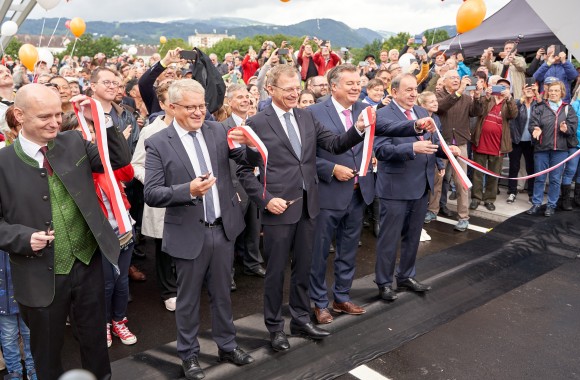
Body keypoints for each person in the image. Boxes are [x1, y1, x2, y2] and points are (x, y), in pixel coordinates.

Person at [235, 64, 436, 352]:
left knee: (304, 268)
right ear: (270, 90)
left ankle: (301, 319)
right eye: (287, 89)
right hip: (277, 208)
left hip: (309, 205)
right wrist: (265, 199)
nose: (294, 94)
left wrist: (358, 128)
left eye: (296, 88)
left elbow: (335, 143)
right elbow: (244, 170)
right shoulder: (257, 122)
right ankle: (275, 327)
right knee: (276, 272)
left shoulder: (305, 117)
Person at [0, 84, 131, 380]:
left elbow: (118, 160)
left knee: (95, 343)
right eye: (45, 116)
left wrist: (102, 120)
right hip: (38, 274)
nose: (55, 122)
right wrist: (22, 238)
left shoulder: (73, 141)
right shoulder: (3, 163)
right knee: (46, 352)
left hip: (87, 263)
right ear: (19, 115)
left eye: (58, 114)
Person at [144, 79, 254, 380]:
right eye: (190, 107)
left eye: (202, 106)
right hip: (188, 233)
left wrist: (252, 146)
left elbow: (244, 162)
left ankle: (227, 345)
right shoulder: (158, 142)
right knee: (189, 300)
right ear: (172, 107)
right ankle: (189, 355)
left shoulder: (218, 130)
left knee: (222, 294)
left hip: (223, 229)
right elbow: (152, 193)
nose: (198, 112)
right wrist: (188, 190)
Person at [374, 73, 460, 301]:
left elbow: (433, 145)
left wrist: (447, 151)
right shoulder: (382, 115)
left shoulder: (423, 113)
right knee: (389, 238)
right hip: (396, 187)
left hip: (421, 185)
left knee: (413, 236)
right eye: (408, 90)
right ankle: (383, 282)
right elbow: (381, 151)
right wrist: (412, 148)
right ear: (393, 92)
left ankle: (406, 276)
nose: (413, 94)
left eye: (415, 90)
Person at [308, 64, 375, 324]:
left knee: (348, 250)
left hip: (359, 193)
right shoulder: (313, 112)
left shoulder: (365, 110)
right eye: (350, 83)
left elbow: (377, 140)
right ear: (333, 86)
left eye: (358, 83)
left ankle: (342, 296)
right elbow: (305, 156)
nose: (356, 87)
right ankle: (319, 302)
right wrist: (332, 168)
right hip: (328, 194)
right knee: (319, 252)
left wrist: (414, 128)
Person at [131, 81, 178, 311]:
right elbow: (136, 164)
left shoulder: (194, 127)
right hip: (162, 197)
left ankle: (185, 285)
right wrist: (153, 181)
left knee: (187, 242)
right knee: (164, 245)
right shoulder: (150, 131)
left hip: (190, 195)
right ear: (162, 103)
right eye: (172, 98)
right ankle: (169, 290)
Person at [428, 70, 484, 231]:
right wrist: (459, 92)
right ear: (443, 80)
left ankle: (463, 217)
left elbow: (477, 112)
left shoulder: (467, 98)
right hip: (442, 144)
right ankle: (432, 210)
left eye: (458, 78)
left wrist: (478, 96)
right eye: (452, 77)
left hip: (460, 144)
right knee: (437, 179)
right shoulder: (437, 95)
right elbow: (441, 107)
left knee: (461, 183)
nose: (456, 80)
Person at [221, 84, 266, 284]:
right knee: (231, 232)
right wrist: (232, 187)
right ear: (229, 103)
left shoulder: (258, 123)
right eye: (239, 97)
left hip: (257, 182)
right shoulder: (222, 127)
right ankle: (227, 274)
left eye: (247, 96)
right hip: (235, 185)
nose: (245, 100)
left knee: (254, 227)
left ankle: (253, 263)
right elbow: (224, 161)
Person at [527, 80, 578, 217]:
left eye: (556, 90)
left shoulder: (568, 109)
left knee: (555, 179)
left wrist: (566, 129)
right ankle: (536, 203)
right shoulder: (540, 107)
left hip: (560, 151)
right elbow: (533, 123)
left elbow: (573, 129)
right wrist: (535, 129)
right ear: (547, 92)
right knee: (540, 178)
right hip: (541, 148)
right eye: (551, 90)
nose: (553, 93)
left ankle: (551, 205)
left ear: (562, 92)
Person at [470, 78, 517, 211]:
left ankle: (489, 199)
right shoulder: (488, 98)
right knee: (477, 173)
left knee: (493, 174)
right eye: (500, 86)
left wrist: (509, 99)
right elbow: (478, 110)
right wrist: (486, 96)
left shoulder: (509, 102)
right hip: (481, 142)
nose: (502, 88)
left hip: (498, 145)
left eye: (505, 87)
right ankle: (476, 198)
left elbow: (513, 114)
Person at [507, 82, 541, 204]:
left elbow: (543, 107)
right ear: (522, 89)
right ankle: (512, 191)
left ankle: (531, 193)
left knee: (531, 168)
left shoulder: (537, 104)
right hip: (516, 140)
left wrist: (537, 93)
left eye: (531, 89)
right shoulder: (517, 102)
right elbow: (511, 113)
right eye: (527, 88)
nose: (529, 91)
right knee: (514, 167)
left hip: (531, 141)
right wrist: (521, 99)